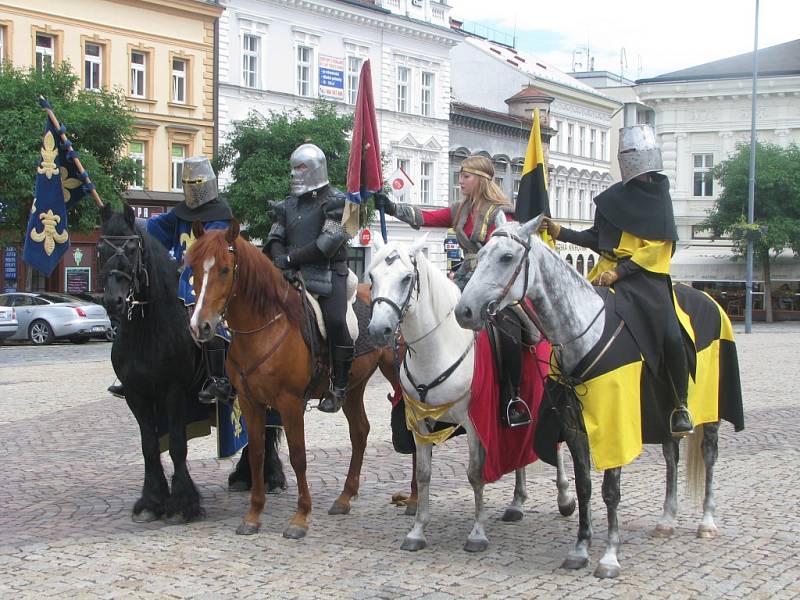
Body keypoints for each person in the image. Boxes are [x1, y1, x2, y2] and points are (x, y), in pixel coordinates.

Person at [539, 124, 693, 437]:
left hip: (647, 280)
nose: (631, 159)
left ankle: (680, 405)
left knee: (671, 335)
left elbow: (657, 250)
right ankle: (563, 391)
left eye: (635, 153)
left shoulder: (660, 196)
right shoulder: (612, 198)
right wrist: (561, 232)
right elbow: (598, 238)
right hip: (606, 273)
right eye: (626, 154)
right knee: (569, 323)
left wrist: (620, 273)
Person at [375, 154, 531, 427]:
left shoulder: (499, 214)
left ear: (481, 180)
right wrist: (391, 207)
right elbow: (427, 216)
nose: (460, 181)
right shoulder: (459, 209)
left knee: (510, 330)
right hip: (460, 278)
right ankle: (411, 391)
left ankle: (511, 397)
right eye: (460, 175)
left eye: (466, 176)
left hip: (492, 282)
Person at [107, 156, 236, 405]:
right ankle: (131, 372)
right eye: (187, 183)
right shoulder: (179, 214)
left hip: (205, 279)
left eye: (196, 182)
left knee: (207, 319)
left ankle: (218, 378)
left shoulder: (221, 215)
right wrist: (128, 227)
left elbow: (214, 249)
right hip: (177, 277)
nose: (192, 188)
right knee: (139, 308)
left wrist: (189, 270)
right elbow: (153, 230)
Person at [265, 143, 354, 414]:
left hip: (329, 273)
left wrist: (290, 259)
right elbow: (274, 238)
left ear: (317, 168)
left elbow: (326, 244)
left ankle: (339, 386)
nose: (295, 173)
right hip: (291, 275)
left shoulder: (342, 202)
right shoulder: (288, 204)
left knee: (337, 321)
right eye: (294, 167)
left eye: (301, 167)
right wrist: (281, 261)